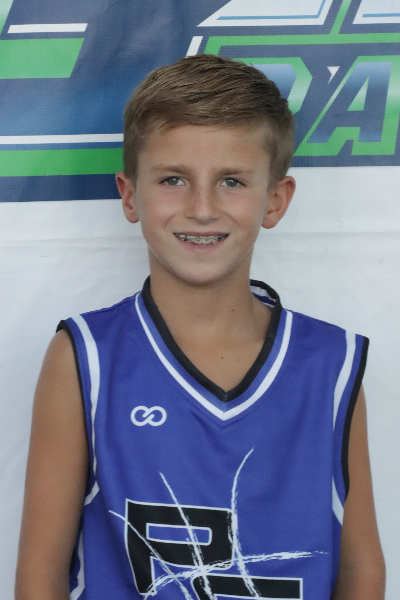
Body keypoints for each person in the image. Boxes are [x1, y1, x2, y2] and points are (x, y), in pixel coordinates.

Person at [15, 54, 385, 600]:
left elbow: (361, 572)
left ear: (275, 200)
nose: (203, 208)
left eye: (231, 181)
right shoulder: (85, 358)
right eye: (173, 179)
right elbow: (40, 578)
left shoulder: (331, 365)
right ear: (129, 194)